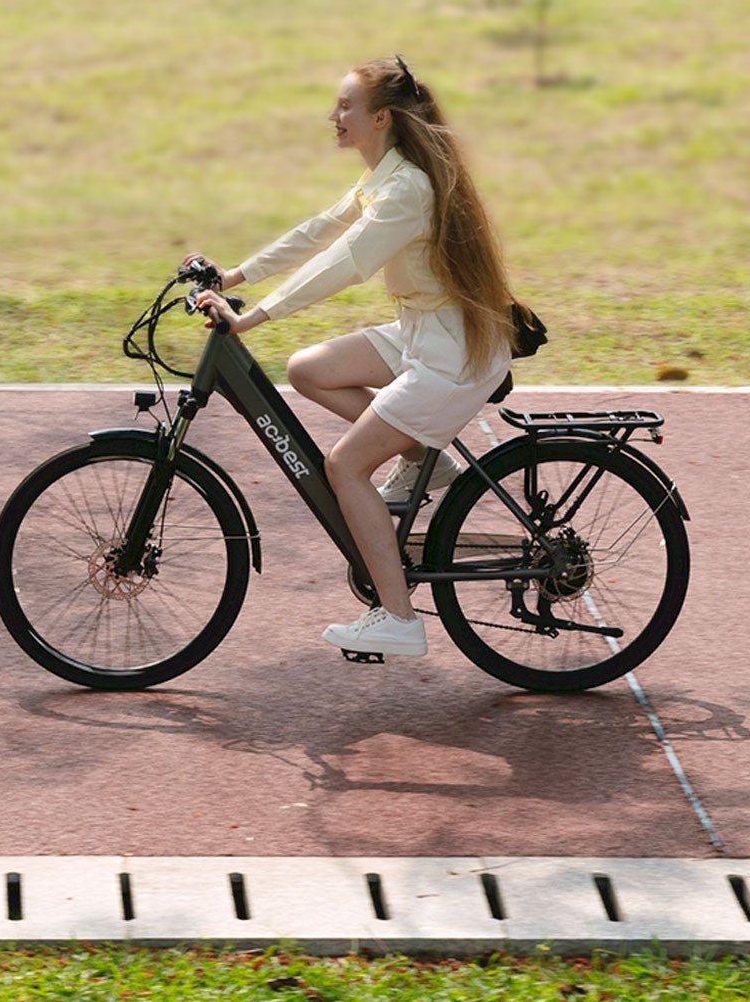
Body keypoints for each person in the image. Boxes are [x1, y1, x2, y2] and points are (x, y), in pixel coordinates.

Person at [188, 55, 516, 658]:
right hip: (425, 333)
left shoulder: (406, 191)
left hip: (452, 358)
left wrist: (254, 317)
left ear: (382, 118)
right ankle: (427, 460)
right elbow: (319, 231)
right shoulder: (385, 174)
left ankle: (399, 619)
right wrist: (236, 274)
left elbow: (344, 263)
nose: (334, 116)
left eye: (346, 107)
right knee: (307, 368)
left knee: (344, 467)